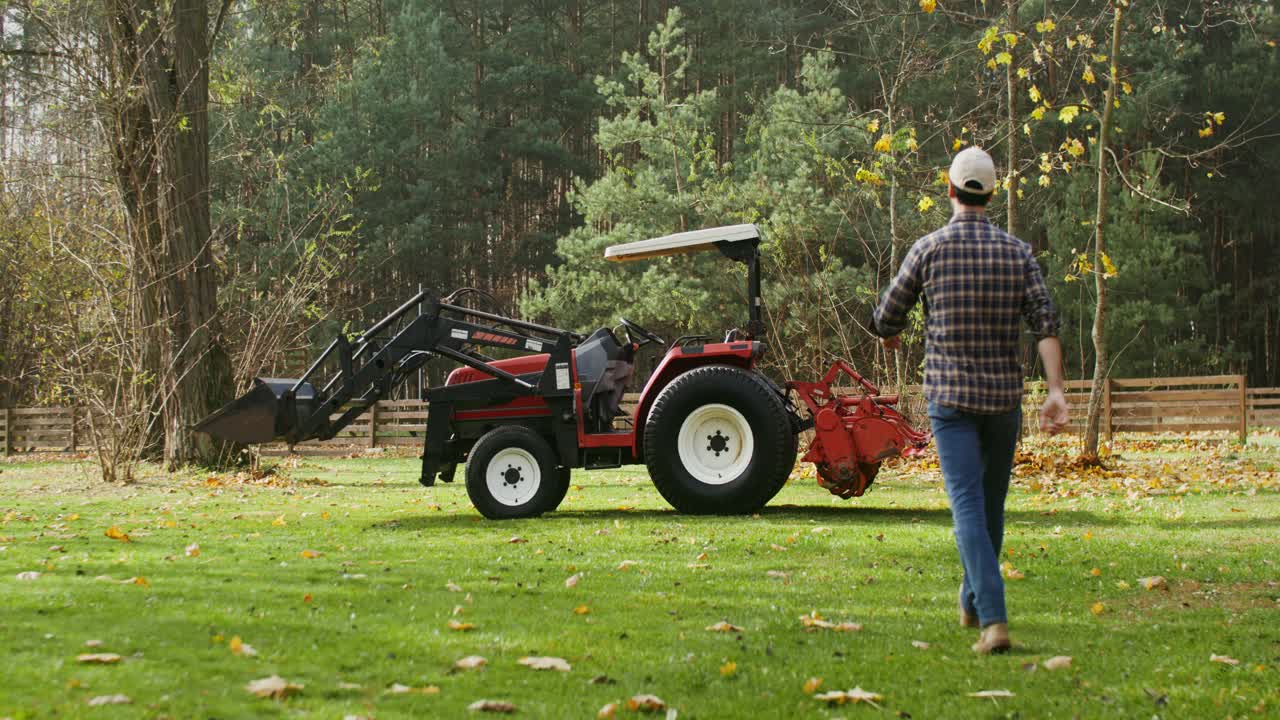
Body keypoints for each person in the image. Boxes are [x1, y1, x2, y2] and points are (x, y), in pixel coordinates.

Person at [871, 146, 1070, 654]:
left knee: (966, 507)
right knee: (990, 508)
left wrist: (888, 330)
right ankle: (972, 601)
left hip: (951, 400)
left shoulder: (928, 249)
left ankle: (995, 620)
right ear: (992, 193)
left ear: (949, 186)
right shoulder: (1017, 253)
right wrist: (1055, 391)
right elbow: (1045, 324)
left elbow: (887, 315)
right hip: (1003, 401)